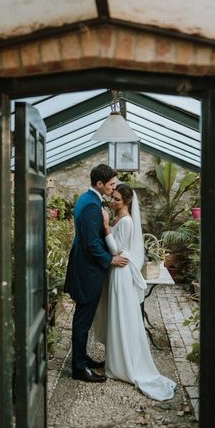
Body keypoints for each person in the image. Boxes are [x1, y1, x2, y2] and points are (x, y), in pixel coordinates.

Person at [93, 183, 176, 401]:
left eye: (118, 199)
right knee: (115, 315)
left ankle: (124, 364)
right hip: (115, 271)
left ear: (127, 201)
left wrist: (106, 227)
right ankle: (116, 359)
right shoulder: (119, 218)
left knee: (120, 315)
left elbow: (117, 251)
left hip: (120, 272)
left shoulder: (127, 221)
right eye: (113, 198)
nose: (113, 202)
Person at [64, 164, 129, 383]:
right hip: (87, 271)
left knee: (83, 318)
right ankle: (79, 368)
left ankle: (82, 359)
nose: (113, 188)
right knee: (83, 319)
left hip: (83, 266)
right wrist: (110, 259)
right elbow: (92, 243)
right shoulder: (92, 206)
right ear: (99, 184)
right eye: (111, 185)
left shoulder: (86, 198)